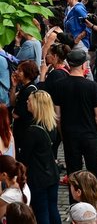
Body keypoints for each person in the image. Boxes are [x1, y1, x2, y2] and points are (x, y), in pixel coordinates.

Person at [51, 49, 97, 200]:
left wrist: (63, 135)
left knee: (73, 174)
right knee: (95, 172)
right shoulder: (93, 87)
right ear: (84, 66)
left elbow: (58, 117)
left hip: (70, 135)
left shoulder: (59, 85)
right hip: (89, 136)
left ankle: (75, 204)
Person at [18, 90, 58, 224]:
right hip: (52, 173)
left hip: (38, 177)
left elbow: (24, 157)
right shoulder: (51, 124)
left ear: (36, 105)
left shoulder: (32, 131)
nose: (27, 102)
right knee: (53, 209)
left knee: (41, 212)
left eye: (29, 100)